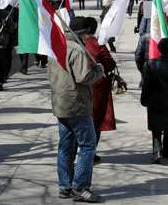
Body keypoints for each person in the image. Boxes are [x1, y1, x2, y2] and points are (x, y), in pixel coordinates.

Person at [47, 16, 104, 203]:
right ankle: (80, 186)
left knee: (66, 146)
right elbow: (83, 77)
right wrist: (99, 71)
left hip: (60, 103)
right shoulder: (78, 49)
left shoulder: (56, 46)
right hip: (77, 105)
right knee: (88, 146)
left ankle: (65, 186)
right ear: (83, 33)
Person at [84, 17, 117, 162]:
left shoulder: (77, 44)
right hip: (98, 86)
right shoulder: (98, 43)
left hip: (80, 84)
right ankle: (91, 151)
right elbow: (110, 64)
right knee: (96, 119)